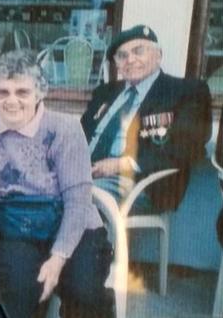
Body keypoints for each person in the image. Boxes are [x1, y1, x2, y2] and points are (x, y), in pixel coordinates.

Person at [0, 51, 114, 318]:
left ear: (39, 94)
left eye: (22, 92)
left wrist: (58, 258)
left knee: (83, 292)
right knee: (16, 296)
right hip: (14, 229)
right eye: (2, 92)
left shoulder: (65, 129)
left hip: (72, 226)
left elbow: (78, 202)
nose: (12, 101)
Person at [81, 24, 212, 211]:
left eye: (138, 51)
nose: (130, 60)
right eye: (122, 56)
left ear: (158, 56)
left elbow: (188, 146)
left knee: (76, 197)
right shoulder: (105, 92)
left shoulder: (186, 92)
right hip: (86, 172)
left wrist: (122, 164)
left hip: (139, 182)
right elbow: (81, 135)